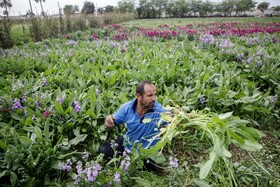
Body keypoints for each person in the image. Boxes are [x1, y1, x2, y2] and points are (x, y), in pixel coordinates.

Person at [98, 81, 168, 173]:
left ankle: (131, 162)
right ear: (139, 96)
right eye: (150, 95)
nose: (154, 99)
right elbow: (111, 124)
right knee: (103, 150)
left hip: (146, 151)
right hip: (128, 142)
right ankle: (126, 157)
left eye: (155, 95)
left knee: (124, 169)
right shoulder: (127, 108)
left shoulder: (159, 111)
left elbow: (171, 122)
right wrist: (108, 123)